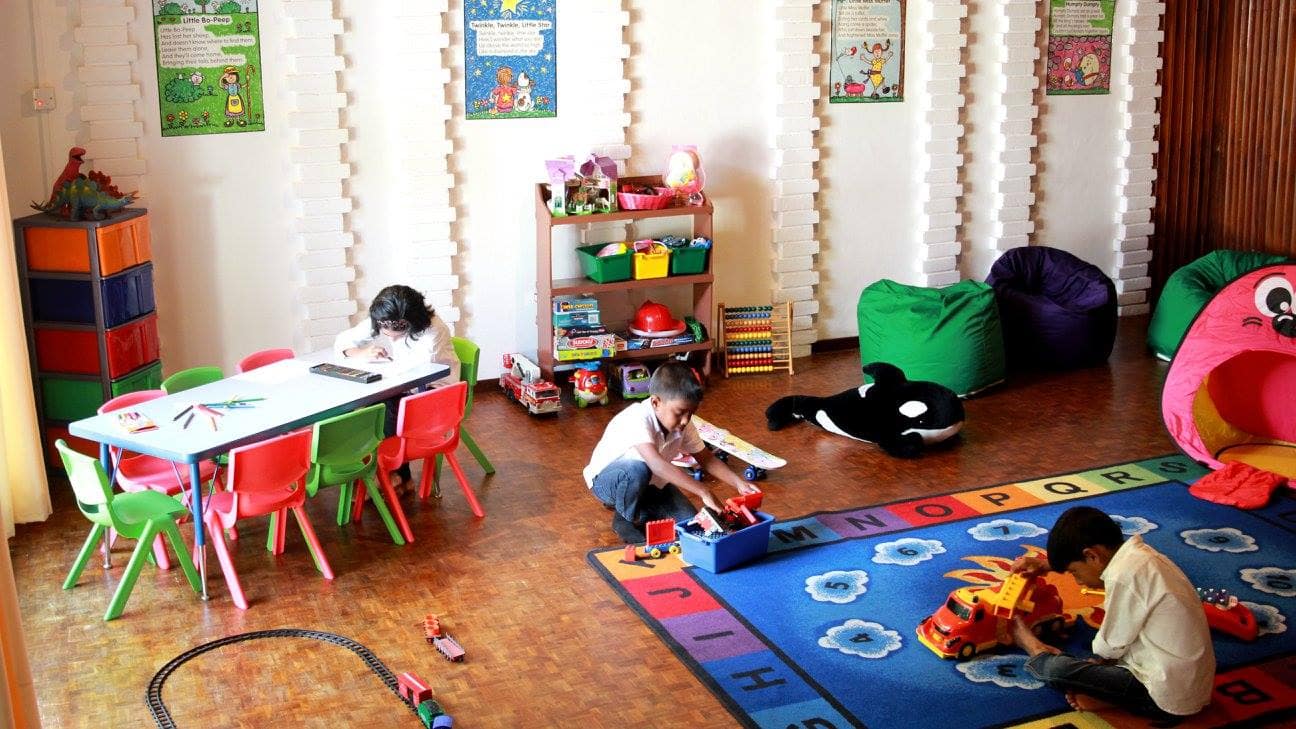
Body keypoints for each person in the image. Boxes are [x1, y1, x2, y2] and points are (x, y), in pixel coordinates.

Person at [1008, 506, 1214, 720]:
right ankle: (1107, 696)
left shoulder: (1123, 577)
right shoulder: (1141, 557)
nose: (1078, 581)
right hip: (1189, 684)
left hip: (1164, 699)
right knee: (1103, 663)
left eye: (1074, 572)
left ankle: (1033, 645)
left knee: (1057, 670)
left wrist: (1098, 663)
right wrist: (1048, 565)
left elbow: (1110, 646)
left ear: (1091, 556)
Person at [583, 361, 760, 543]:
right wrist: (703, 491)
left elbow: (706, 459)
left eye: (690, 413)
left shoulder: (684, 424)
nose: (685, 420)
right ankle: (624, 519)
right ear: (656, 402)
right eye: (679, 412)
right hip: (607, 483)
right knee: (637, 469)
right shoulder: (637, 418)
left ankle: (642, 511)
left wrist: (739, 483)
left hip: (653, 485)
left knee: (690, 527)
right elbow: (656, 465)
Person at [334, 285, 459, 490]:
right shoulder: (384, 318)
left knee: (384, 409)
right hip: (406, 387)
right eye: (386, 332)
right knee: (374, 408)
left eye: (398, 334)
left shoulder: (433, 331)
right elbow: (343, 341)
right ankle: (394, 474)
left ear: (413, 322)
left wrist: (386, 370)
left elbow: (420, 376)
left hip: (436, 393)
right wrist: (361, 352)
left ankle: (391, 472)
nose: (391, 338)